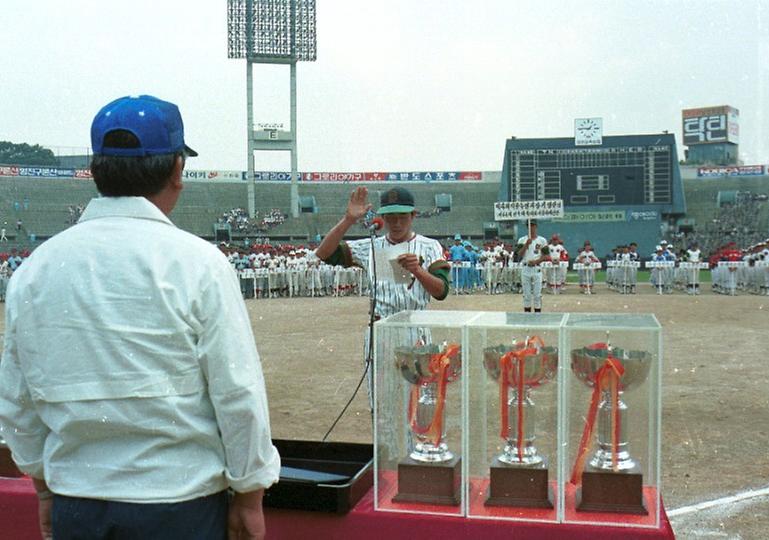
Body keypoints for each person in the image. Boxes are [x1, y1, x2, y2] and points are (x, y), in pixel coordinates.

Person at [0, 95, 280, 540]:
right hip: (179, 504)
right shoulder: (199, 264)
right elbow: (237, 392)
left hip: (78, 502)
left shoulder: (35, 269)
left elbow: (17, 400)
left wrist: (44, 485)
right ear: (176, 170)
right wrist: (249, 493)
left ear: (96, 170)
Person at [315, 186, 450, 404]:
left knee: (417, 403)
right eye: (390, 217)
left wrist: (418, 271)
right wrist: (348, 220)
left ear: (413, 215)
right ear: (383, 218)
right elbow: (324, 253)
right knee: (381, 402)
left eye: (402, 217)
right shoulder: (370, 246)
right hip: (380, 330)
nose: (396, 223)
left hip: (415, 330)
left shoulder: (429, 246)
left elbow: (441, 291)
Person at [515, 221, 548, 312]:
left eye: (533, 226)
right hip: (526, 268)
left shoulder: (542, 240)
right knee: (527, 294)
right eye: (529, 226)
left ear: (536, 227)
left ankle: (537, 313)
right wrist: (526, 245)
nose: (531, 228)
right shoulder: (522, 240)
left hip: (536, 268)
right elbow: (519, 254)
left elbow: (546, 256)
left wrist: (536, 261)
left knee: (537, 294)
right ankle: (527, 314)